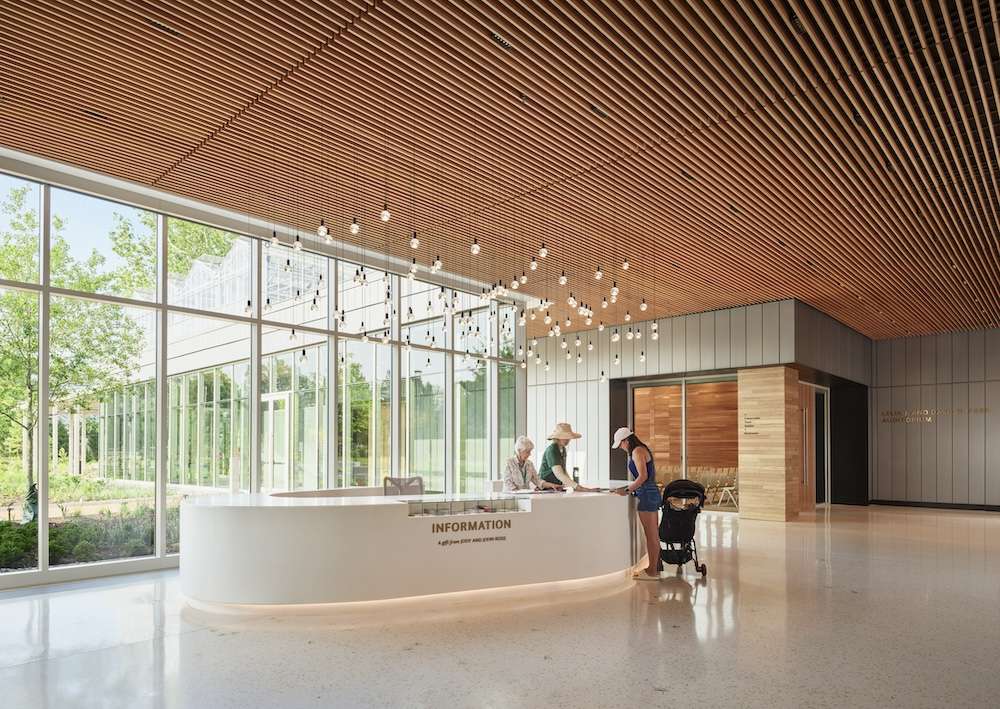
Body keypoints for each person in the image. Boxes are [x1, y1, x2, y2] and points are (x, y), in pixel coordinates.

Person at [610, 427, 662, 580]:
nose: (621, 447)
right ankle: (653, 569)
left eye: (620, 444)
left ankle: (652, 571)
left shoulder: (637, 451)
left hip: (646, 493)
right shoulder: (642, 449)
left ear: (626, 440)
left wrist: (626, 490)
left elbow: (642, 477)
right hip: (649, 491)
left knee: (651, 534)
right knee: (653, 534)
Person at [538, 423, 596, 491]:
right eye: (564, 437)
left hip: (556, 487)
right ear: (558, 438)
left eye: (568, 437)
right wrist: (578, 487)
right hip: (546, 486)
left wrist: (574, 486)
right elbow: (559, 474)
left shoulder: (563, 449)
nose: (567, 440)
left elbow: (563, 471)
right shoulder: (552, 450)